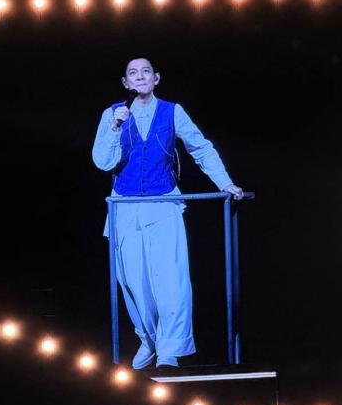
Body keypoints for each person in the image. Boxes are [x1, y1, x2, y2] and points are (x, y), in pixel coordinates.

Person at [92, 58, 244, 370]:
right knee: (134, 281)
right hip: (125, 206)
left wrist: (225, 182)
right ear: (125, 83)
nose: (140, 76)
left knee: (170, 279)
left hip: (163, 202)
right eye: (133, 73)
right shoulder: (112, 114)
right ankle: (149, 339)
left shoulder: (172, 111)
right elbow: (103, 162)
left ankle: (169, 347)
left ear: (156, 78)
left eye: (145, 71)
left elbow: (200, 148)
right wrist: (114, 127)